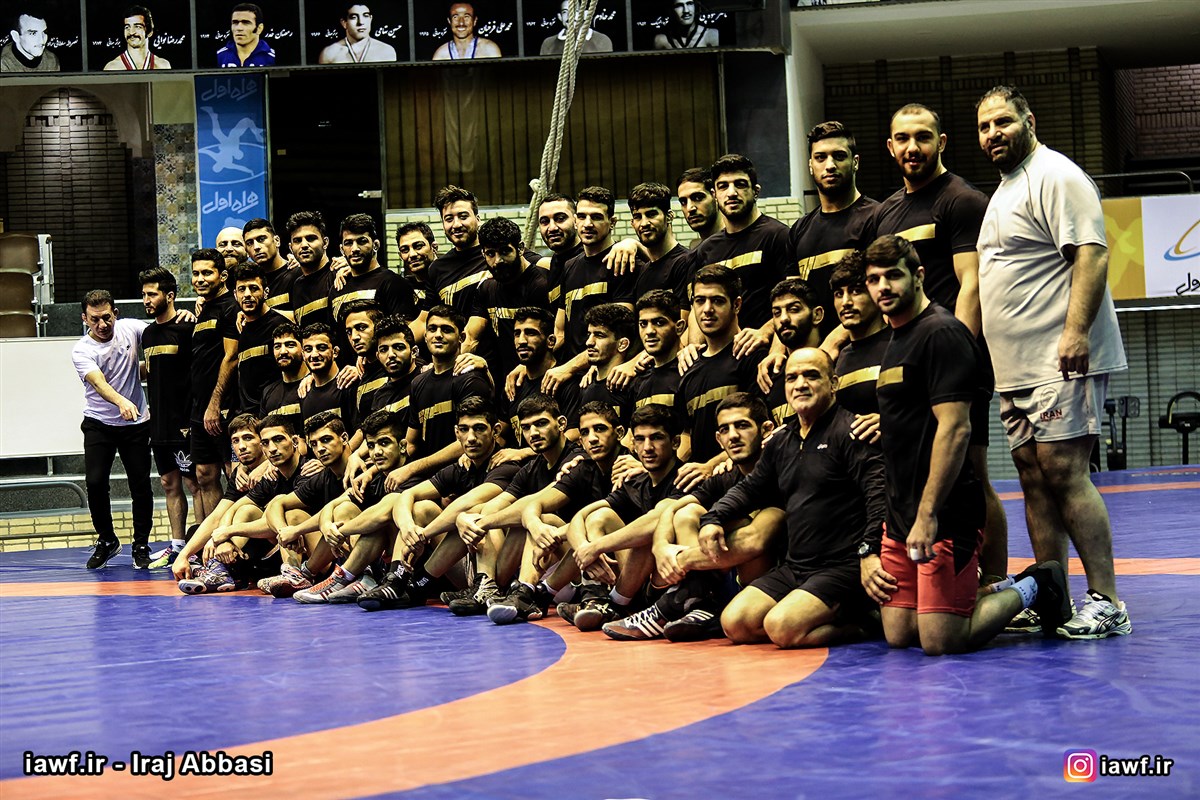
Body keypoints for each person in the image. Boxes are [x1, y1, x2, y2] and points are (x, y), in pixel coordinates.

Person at [861, 234, 1070, 656]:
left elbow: (956, 430)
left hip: (945, 513)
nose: (883, 287)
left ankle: (1038, 582)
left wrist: (928, 514)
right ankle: (965, 597)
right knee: (899, 634)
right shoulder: (896, 338)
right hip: (899, 514)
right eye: (874, 279)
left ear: (918, 276)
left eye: (893, 276)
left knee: (941, 641)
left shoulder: (942, 334)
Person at [975, 85, 1131, 639]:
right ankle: (1052, 594)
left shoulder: (1057, 175)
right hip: (1015, 368)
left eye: (1003, 122)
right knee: (1033, 476)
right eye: (984, 127)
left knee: (1065, 472)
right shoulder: (1005, 189)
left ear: (1030, 121)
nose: (993, 134)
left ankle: (1107, 600)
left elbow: (1092, 254)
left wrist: (1075, 332)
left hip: (1059, 360)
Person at [874, 102, 1008, 587]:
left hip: (951, 362)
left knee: (970, 473)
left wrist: (961, 358)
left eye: (923, 137)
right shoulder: (886, 212)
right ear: (890, 147)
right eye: (903, 139)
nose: (913, 147)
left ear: (942, 142)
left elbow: (972, 284)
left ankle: (996, 583)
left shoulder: (961, 200)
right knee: (915, 470)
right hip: (906, 367)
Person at [711, 349, 885, 649]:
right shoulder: (781, 440)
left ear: (833, 383)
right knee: (735, 623)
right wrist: (713, 517)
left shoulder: (851, 431)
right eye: (792, 378)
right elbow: (750, 488)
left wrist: (870, 551)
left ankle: (864, 624)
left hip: (843, 567)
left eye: (811, 375)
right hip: (797, 566)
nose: (800, 384)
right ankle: (810, 614)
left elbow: (878, 496)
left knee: (782, 628)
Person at [72, 290, 153, 569]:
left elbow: (163, 331)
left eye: (107, 317)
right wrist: (121, 401)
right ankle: (107, 540)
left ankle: (141, 544)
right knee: (95, 483)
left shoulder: (131, 328)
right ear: (85, 319)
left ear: (115, 314)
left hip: (136, 423)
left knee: (140, 485)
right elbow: (99, 383)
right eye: (94, 319)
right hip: (99, 423)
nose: (102, 324)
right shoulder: (82, 350)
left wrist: (184, 315)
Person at [789, 121, 877, 339]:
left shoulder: (877, 217)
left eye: (838, 156)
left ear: (855, 162)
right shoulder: (799, 230)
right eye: (820, 158)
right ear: (811, 165)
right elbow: (792, 300)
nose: (830, 165)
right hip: (812, 351)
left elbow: (880, 294)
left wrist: (832, 344)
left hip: (865, 344)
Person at [693, 154, 792, 340]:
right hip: (721, 351)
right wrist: (694, 347)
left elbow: (792, 298)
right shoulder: (706, 250)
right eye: (723, 186)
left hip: (764, 347)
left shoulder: (778, 236)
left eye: (740, 184)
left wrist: (765, 332)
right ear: (714, 195)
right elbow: (697, 307)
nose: (731, 193)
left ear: (755, 191)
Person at [139, 267, 198, 568]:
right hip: (159, 424)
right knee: (168, 483)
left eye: (152, 294)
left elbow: (197, 375)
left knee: (194, 483)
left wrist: (192, 418)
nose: (146, 300)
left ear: (170, 295)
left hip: (185, 423)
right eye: (144, 294)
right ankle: (177, 546)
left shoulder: (187, 327)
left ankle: (201, 547)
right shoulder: (148, 334)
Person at [188, 249, 239, 525]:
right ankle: (213, 540)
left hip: (224, 406)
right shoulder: (202, 309)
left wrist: (215, 403)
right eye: (196, 273)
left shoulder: (231, 307)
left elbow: (231, 357)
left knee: (234, 474)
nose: (200, 278)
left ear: (223, 275)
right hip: (200, 408)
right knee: (204, 475)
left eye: (207, 273)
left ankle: (238, 539)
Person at [471, 216, 552, 380]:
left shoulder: (541, 285)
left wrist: (524, 367)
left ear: (520, 248)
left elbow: (554, 339)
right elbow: (471, 337)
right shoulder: (487, 289)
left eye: (505, 251)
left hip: (539, 379)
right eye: (490, 254)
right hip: (504, 381)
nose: (497, 261)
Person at [232, 264, 290, 415]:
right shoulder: (241, 328)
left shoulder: (279, 325)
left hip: (273, 414)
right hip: (247, 416)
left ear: (266, 292)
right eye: (242, 289)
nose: (247, 294)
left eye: (254, 288)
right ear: (235, 295)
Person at [286, 211, 335, 330]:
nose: (304, 245)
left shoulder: (339, 274)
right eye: (297, 240)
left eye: (311, 238)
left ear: (325, 242)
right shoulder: (296, 285)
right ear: (291, 247)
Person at [395, 221, 439, 347]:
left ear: (434, 247)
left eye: (418, 246)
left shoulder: (448, 280)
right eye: (405, 250)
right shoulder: (402, 286)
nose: (412, 254)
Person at [243, 218, 294, 314]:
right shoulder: (248, 284)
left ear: (277, 241)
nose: (256, 247)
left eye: (261, 239)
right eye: (249, 243)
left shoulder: (296, 273)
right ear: (246, 251)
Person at [318, 3, 397, 64]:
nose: (361, 22)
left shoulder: (386, 51)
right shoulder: (329, 53)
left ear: (370, 19)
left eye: (365, 16)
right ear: (344, 23)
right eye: (354, 17)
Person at [103, 6, 171, 70]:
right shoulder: (112, 68)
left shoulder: (162, 66)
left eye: (137, 27)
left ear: (150, 32)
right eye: (127, 27)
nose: (131, 32)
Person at [540, 0, 612, 55]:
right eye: (565, 12)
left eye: (575, 10)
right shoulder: (548, 44)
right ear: (560, 17)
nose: (570, 16)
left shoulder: (602, 40)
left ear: (584, 14)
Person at [432, 3, 501, 60]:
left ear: (474, 21)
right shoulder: (440, 55)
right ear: (449, 21)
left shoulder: (489, 49)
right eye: (455, 17)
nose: (461, 23)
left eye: (466, 17)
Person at [217, 3, 275, 67]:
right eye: (235, 22)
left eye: (246, 23)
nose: (239, 28)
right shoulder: (219, 55)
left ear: (259, 28)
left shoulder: (272, 58)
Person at [676, 168, 722, 247]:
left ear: (714, 195)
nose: (690, 208)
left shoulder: (741, 243)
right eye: (683, 202)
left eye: (698, 198)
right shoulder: (696, 252)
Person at [654, 0, 719, 50]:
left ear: (695, 6)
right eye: (679, 5)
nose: (686, 11)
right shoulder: (661, 40)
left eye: (689, 4)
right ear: (671, 10)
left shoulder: (710, 35)